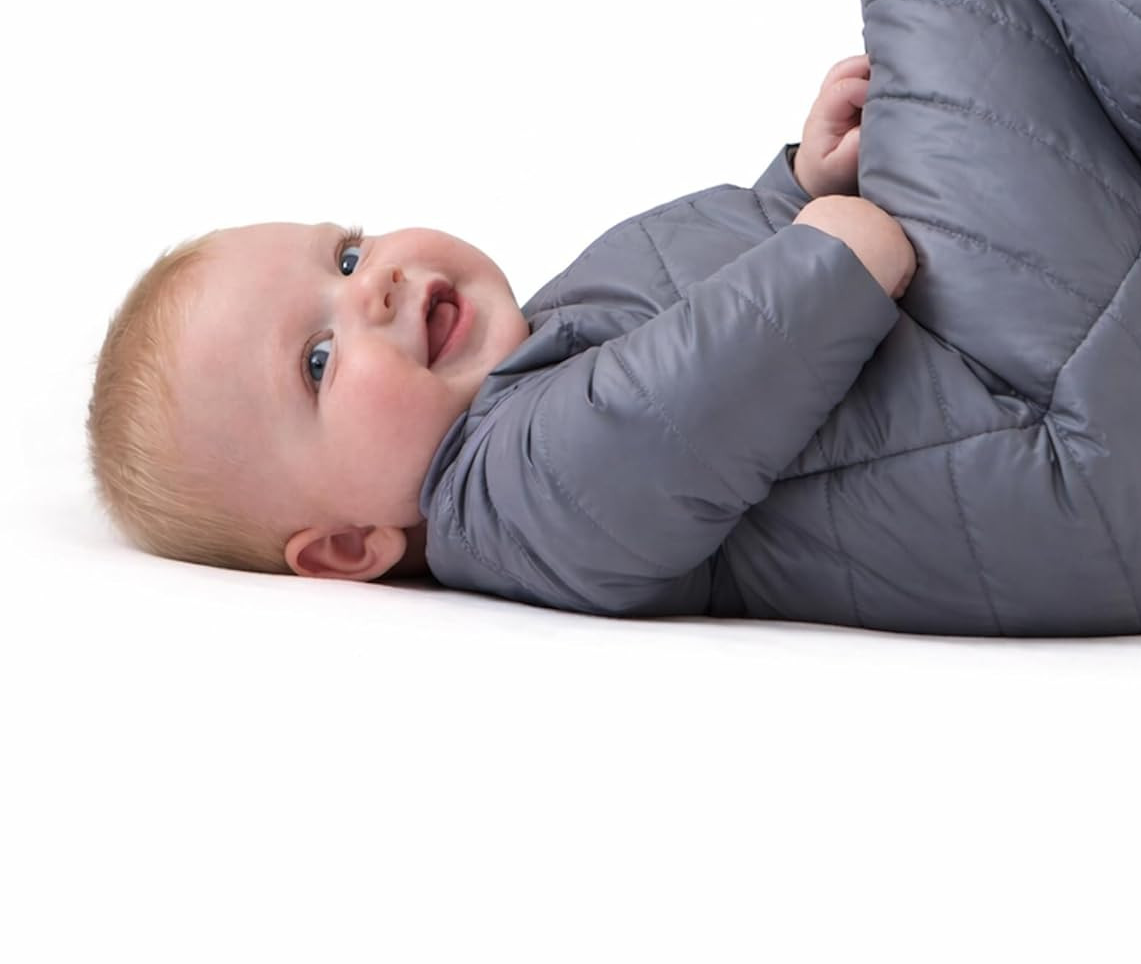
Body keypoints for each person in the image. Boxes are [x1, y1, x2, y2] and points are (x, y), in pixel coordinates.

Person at [86, 55, 914, 590]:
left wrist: (799, 188)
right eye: (318, 359)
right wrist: (827, 267)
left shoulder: (543, 335)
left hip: (925, 345)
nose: (374, 286)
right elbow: (673, 418)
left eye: (345, 256)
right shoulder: (510, 500)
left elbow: (699, 290)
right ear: (348, 546)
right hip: (981, 414)